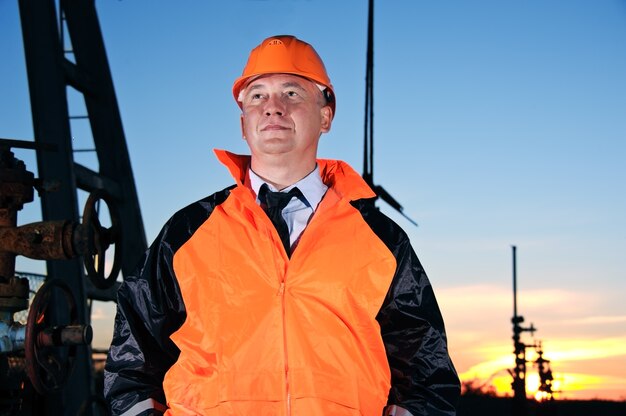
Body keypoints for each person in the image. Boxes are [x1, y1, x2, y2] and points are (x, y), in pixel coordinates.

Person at [104, 35, 460, 416]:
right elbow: (132, 361)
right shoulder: (188, 232)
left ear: (325, 116)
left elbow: (425, 369)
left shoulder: (381, 240)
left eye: (292, 93)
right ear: (243, 124)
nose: (273, 108)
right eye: (257, 96)